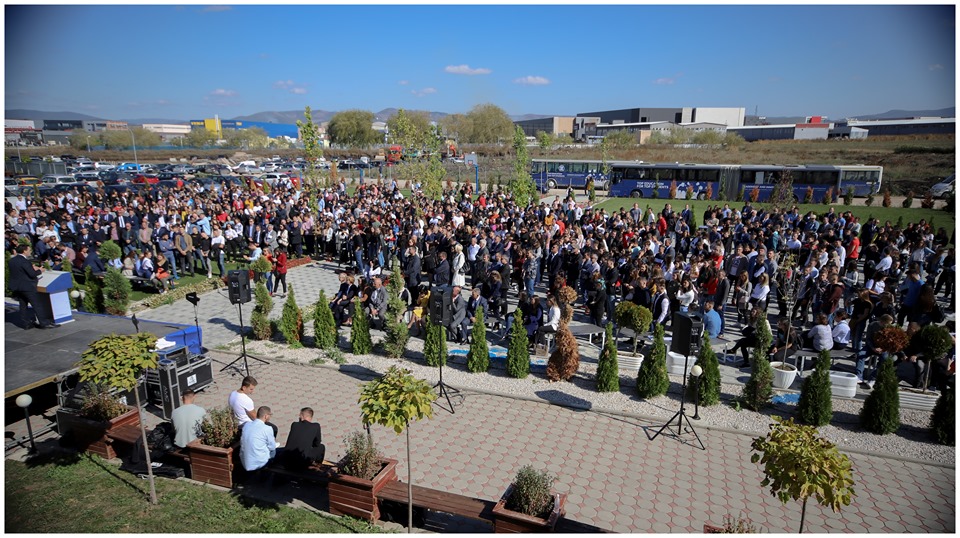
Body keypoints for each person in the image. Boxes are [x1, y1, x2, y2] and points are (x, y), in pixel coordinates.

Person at [9, 244, 58, 329]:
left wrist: (30, 268)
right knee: (37, 305)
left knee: (23, 305)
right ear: (24, 251)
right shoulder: (25, 261)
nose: (30, 251)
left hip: (18, 287)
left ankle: (26, 323)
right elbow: (32, 274)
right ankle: (44, 323)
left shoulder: (12, 260)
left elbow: (20, 272)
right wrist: (40, 271)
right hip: (28, 287)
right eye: (29, 250)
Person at [240, 406, 277, 472]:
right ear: (266, 416)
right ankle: (268, 470)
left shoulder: (247, 425)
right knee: (274, 451)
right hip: (258, 463)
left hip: (245, 462)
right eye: (270, 415)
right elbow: (272, 447)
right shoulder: (267, 428)